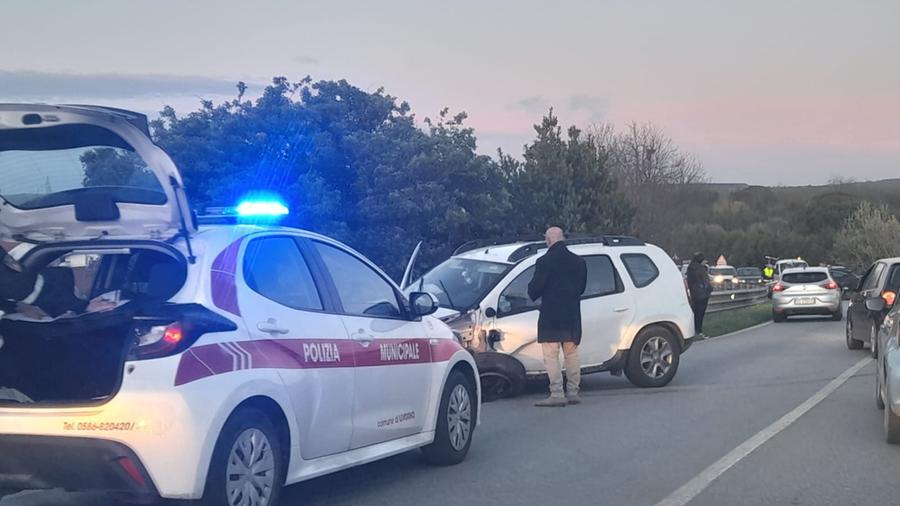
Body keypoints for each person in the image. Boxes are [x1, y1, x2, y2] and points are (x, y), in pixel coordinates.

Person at [527, 227, 587, 407]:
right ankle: (573, 392)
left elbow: (534, 290)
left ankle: (557, 393)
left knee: (551, 355)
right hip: (572, 315)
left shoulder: (544, 262)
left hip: (551, 317)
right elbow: (582, 288)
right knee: (571, 354)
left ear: (548, 241)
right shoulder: (579, 262)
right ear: (562, 239)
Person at [686, 252, 713, 337]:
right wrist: (709, 289)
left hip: (694, 294)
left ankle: (692, 331)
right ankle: (699, 331)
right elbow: (706, 282)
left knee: (694, 312)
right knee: (700, 314)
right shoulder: (701, 269)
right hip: (702, 294)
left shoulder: (690, 269)